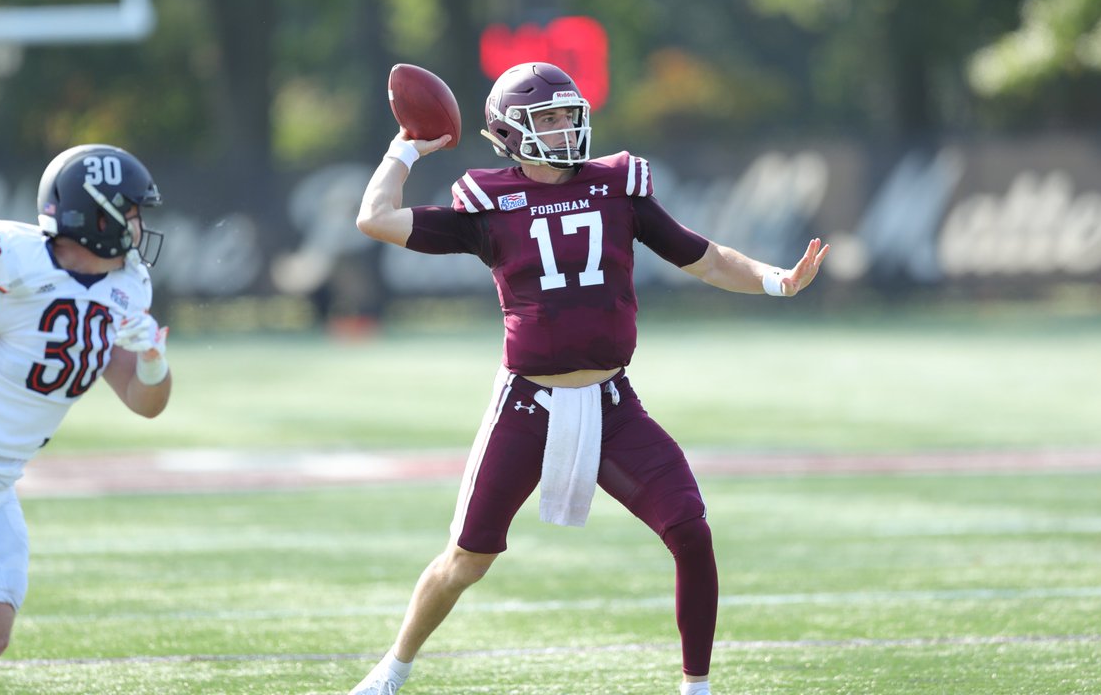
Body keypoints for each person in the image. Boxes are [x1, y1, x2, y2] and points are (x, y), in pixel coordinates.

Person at [350, 61, 829, 695]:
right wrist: (404, 148)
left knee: (690, 528)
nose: (563, 129)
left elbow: (705, 257)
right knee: (469, 559)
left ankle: (697, 689)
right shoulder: (490, 202)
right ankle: (394, 669)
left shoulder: (616, 187)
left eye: (568, 116)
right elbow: (375, 218)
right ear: (510, 131)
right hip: (527, 406)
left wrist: (776, 280)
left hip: (612, 405)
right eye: (546, 119)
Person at [0, 144, 172, 688]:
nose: (138, 224)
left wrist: (151, 361)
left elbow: (144, 402)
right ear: (96, 213)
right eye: (130, 210)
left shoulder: (126, 288)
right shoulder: (15, 272)